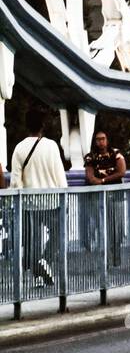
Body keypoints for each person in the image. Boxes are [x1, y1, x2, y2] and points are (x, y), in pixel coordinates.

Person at [9, 108, 68, 284]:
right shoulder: (52, 146)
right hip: (52, 201)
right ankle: (45, 261)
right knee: (57, 235)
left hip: (29, 202)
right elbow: (60, 177)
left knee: (32, 240)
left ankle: (38, 277)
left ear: (27, 125)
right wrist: (65, 200)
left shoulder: (19, 148)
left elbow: (15, 182)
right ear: (43, 125)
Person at [84, 131, 127, 265]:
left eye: (103, 139)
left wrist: (103, 180)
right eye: (98, 139)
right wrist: (97, 181)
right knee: (102, 227)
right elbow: (90, 176)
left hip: (116, 196)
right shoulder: (91, 157)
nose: (101, 142)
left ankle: (116, 257)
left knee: (117, 227)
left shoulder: (116, 153)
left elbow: (122, 171)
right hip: (98, 197)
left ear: (107, 140)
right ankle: (106, 259)